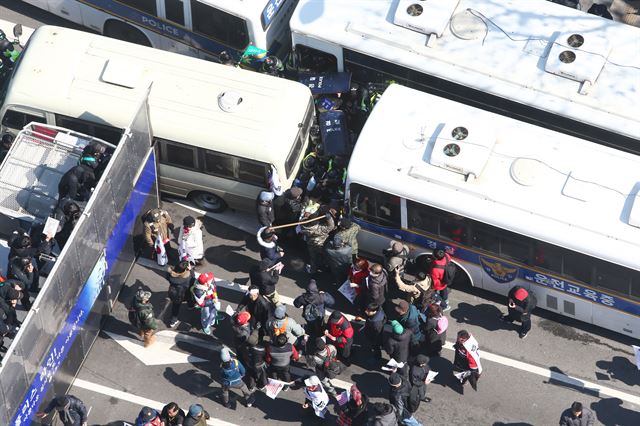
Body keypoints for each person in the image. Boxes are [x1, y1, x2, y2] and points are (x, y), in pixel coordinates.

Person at [300, 207, 336, 274]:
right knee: (324, 256)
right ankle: (324, 267)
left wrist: (309, 216)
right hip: (321, 245)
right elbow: (331, 226)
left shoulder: (303, 225)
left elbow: (307, 219)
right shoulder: (320, 228)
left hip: (311, 244)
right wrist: (329, 218)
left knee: (313, 258)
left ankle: (313, 271)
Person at [166, 260, 194, 328]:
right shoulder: (187, 278)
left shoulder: (170, 274)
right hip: (183, 293)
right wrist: (191, 271)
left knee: (175, 307)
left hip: (174, 294)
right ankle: (190, 306)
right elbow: (192, 281)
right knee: (189, 297)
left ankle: (173, 321)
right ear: (185, 270)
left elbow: (167, 277)